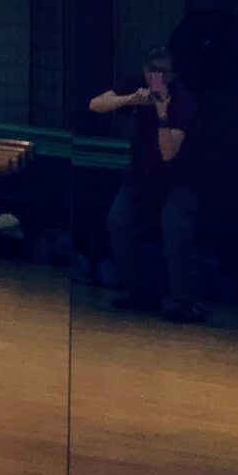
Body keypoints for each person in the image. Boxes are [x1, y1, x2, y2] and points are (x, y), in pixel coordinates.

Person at [90, 45, 205, 322]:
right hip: (142, 176)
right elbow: (95, 104)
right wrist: (130, 100)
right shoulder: (137, 86)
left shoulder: (183, 103)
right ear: (144, 70)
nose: (158, 78)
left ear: (174, 75)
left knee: (174, 222)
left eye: (164, 72)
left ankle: (185, 300)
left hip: (181, 180)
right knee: (118, 221)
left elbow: (168, 153)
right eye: (153, 71)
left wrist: (162, 114)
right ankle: (139, 291)